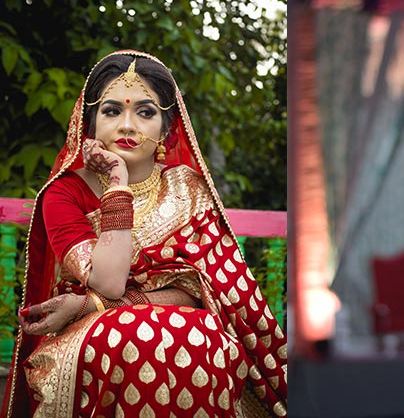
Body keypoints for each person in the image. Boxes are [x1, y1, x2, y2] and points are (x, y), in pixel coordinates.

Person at [1, 50, 287, 417]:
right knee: (130, 336)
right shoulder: (64, 194)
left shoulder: (188, 189)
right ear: (88, 125)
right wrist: (117, 185)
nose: (127, 125)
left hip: (178, 326)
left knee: (203, 339)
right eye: (111, 110)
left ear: (166, 129)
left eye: (146, 112)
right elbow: (108, 281)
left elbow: (196, 291)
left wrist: (95, 303)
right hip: (90, 337)